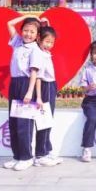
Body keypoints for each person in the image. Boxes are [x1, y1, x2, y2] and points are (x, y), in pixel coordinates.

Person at [3, 15, 47, 171]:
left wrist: (29, 92)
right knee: (14, 122)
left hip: (26, 84)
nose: (28, 34)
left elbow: (34, 72)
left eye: (32, 32)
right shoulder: (18, 43)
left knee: (24, 123)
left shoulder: (35, 50)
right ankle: (17, 156)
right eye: (26, 30)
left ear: (37, 35)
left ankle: (26, 157)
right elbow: (9, 23)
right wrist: (28, 16)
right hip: (15, 83)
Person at [31, 26, 63, 167]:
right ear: (39, 39)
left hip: (51, 86)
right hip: (45, 87)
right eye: (47, 41)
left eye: (52, 42)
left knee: (48, 120)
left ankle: (46, 150)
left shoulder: (45, 53)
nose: (49, 45)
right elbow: (38, 77)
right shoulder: (39, 54)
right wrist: (39, 96)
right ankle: (40, 154)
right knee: (44, 121)